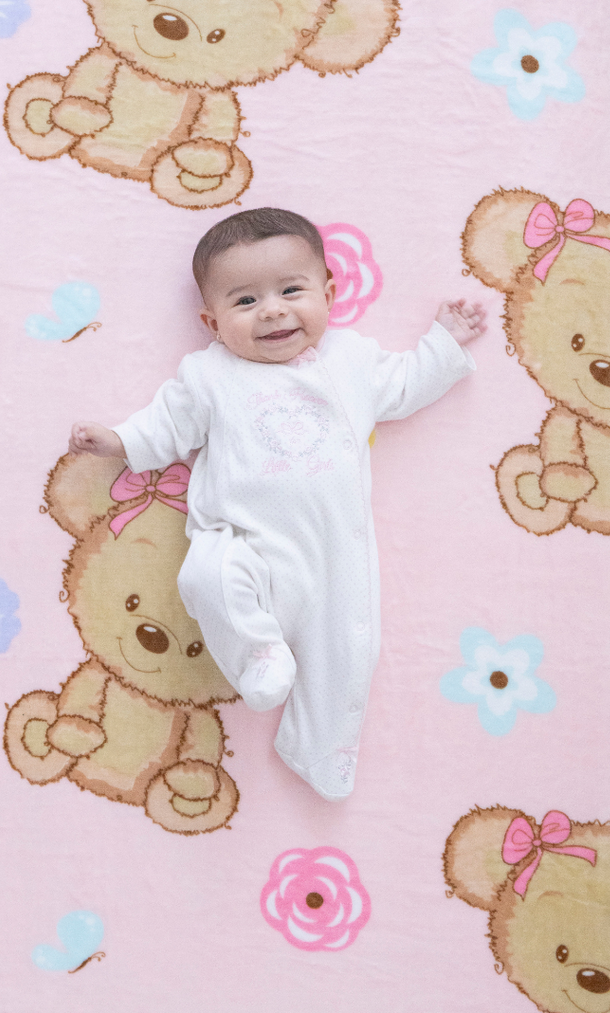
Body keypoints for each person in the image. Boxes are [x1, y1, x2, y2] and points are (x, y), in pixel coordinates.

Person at [69, 207, 487, 800]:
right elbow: (168, 424)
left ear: (328, 295)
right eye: (245, 301)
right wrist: (118, 440)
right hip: (239, 540)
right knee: (204, 577)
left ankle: (321, 749)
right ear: (212, 322)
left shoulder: (350, 360)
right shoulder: (209, 375)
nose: (271, 310)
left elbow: (403, 385)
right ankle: (259, 652)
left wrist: (442, 343)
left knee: (347, 650)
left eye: (291, 291)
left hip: (332, 553)